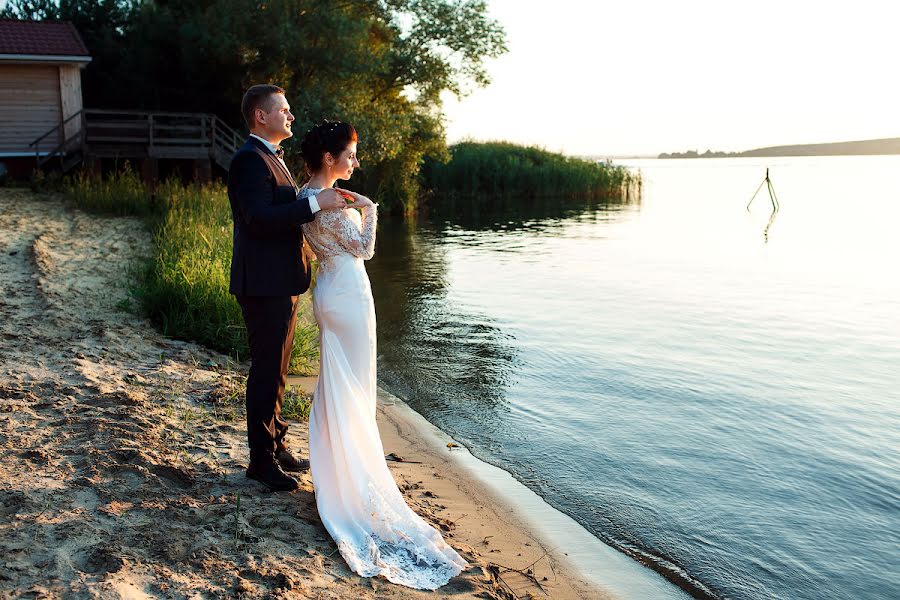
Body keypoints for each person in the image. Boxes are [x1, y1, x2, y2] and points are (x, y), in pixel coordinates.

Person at [299, 121, 469, 589]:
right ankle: (350, 481)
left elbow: (317, 245)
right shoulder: (333, 202)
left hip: (330, 289)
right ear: (330, 158)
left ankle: (337, 473)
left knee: (341, 384)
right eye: (351, 154)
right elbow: (367, 249)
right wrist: (370, 208)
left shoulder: (303, 195)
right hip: (348, 290)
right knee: (354, 385)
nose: (356, 162)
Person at [227, 85, 348, 492]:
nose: (291, 116)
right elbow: (259, 218)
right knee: (265, 371)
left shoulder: (270, 158)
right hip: (262, 282)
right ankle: (260, 461)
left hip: (279, 280)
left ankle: (276, 445)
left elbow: (279, 214)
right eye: (284, 110)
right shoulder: (248, 160)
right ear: (261, 116)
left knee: (278, 370)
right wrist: (316, 204)